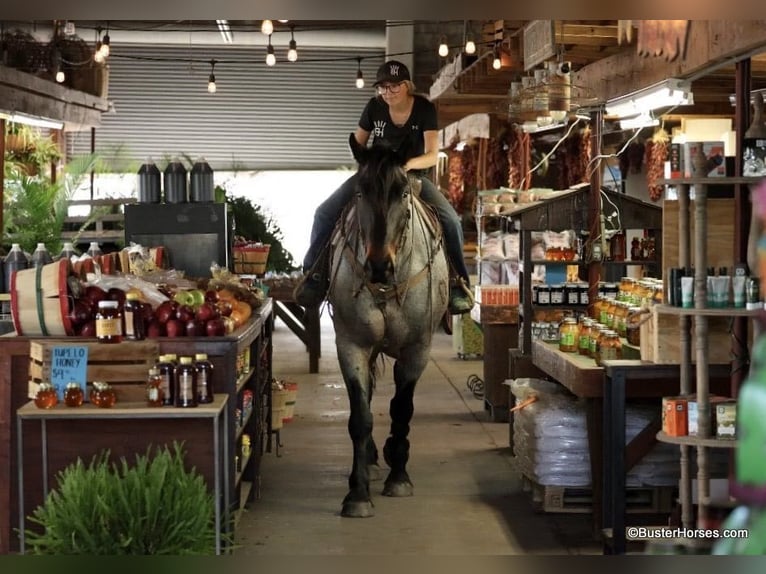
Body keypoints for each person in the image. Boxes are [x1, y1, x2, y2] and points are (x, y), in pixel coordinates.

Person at [294, 60, 474, 315]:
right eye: (383, 87)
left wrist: (405, 166)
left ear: (407, 85)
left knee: (451, 220)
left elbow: (433, 155)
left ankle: (459, 283)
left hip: (410, 177)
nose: (388, 92)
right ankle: (313, 276)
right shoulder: (373, 108)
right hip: (374, 177)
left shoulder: (424, 109)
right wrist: (368, 165)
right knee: (323, 212)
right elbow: (357, 143)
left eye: (394, 86)